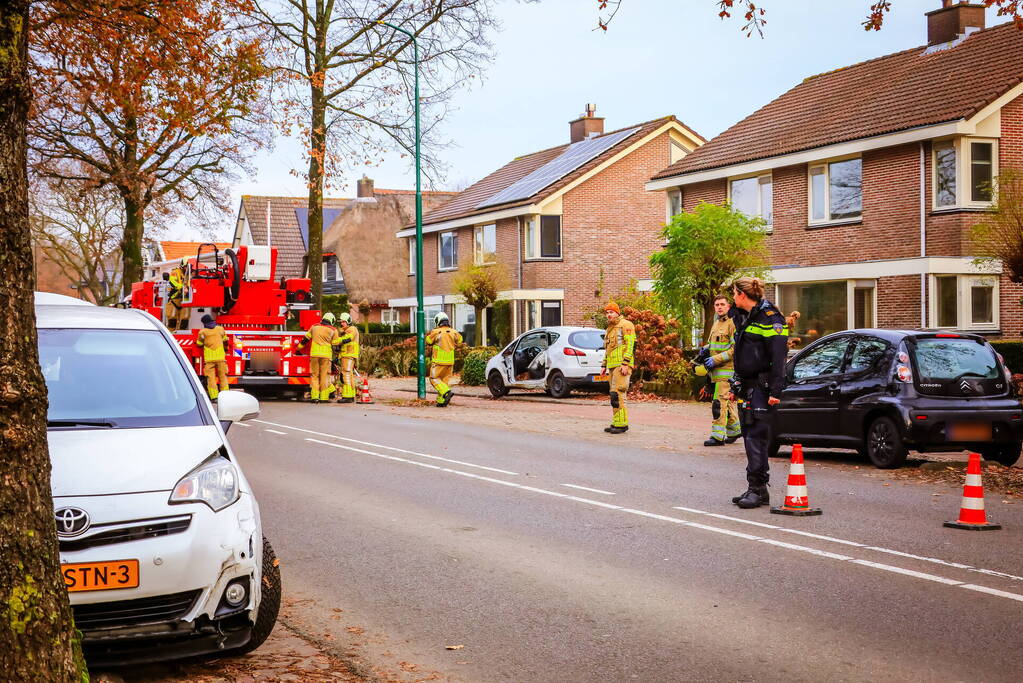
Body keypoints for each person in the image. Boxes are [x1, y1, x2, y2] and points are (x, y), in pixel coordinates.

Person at [728, 277, 788, 509]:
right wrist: (737, 384)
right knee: (749, 436)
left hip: (763, 387)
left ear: (742, 295)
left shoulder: (770, 318)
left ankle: (757, 488)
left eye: (734, 293)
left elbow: (779, 356)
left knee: (756, 438)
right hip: (747, 385)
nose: (733, 298)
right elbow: (742, 355)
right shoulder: (745, 316)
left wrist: (776, 389)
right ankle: (757, 489)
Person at [702, 295, 741, 447]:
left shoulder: (733, 323)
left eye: (722, 304)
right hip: (715, 372)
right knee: (726, 402)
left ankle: (717, 436)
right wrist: (704, 350)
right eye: (717, 304)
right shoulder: (716, 323)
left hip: (727, 370)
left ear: (728, 306)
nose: (719, 307)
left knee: (718, 403)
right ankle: (735, 430)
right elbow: (713, 343)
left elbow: (734, 349)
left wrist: (715, 359)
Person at [601, 302, 636, 434]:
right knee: (613, 395)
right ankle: (616, 422)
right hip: (612, 365)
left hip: (622, 365)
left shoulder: (626, 325)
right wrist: (604, 365)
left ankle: (622, 424)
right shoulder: (610, 328)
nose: (609, 315)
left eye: (611, 312)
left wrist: (626, 363)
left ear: (617, 313)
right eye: (607, 312)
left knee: (619, 393)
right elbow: (608, 349)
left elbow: (630, 344)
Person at [426, 312, 462, 407]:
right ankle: (441, 401)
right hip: (450, 361)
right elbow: (460, 340)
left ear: (438, 321)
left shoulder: (436, 331)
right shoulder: (453, 331)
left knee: (434, 379)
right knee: (444, 382)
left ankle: (446, 392)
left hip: (438, 361)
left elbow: (428, 341)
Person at [304, 312, 340, 404]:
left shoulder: (314, 327)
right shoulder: (333, 330)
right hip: (326, 356)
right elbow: (336, 344)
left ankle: (315, 397)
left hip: (314, 355)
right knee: (324, 376)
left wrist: (298, 348)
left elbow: (306, 339)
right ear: (331, 321)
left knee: (314, 376)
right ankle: (324, 398)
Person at [197, 314, 230, 401]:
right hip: (221, 359)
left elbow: (199, 343)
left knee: (211, 378)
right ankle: (226, 396)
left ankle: (214, 397)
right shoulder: (220, 329)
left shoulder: (202, 332)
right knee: (223, 377)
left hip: (209, 360)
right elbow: (225, 340)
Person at [336, 312, 360, 403]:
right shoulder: (346, 331)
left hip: (349, 355)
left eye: (344, 322)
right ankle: (350, 395)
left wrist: (335, 341)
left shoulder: (352, 329)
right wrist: (338, 357)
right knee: (348, 375)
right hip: (346, 355)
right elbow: (343, 347)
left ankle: (348, 397)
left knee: (346, 374)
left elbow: (347, 339)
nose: (342, 323)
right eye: (341, 322)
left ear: (348, 322)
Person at [165, 258, 190, 331]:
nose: (187, 268)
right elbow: (172, 282)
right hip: (174, 298)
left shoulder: (190, 273)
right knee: (172, 318)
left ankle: (182, 333)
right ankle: (171, 333)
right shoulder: (175, 272)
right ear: (182, 265)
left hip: (186, 299)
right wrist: (183, 287)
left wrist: (188, 288)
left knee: (185, 319)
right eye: (186, 266)